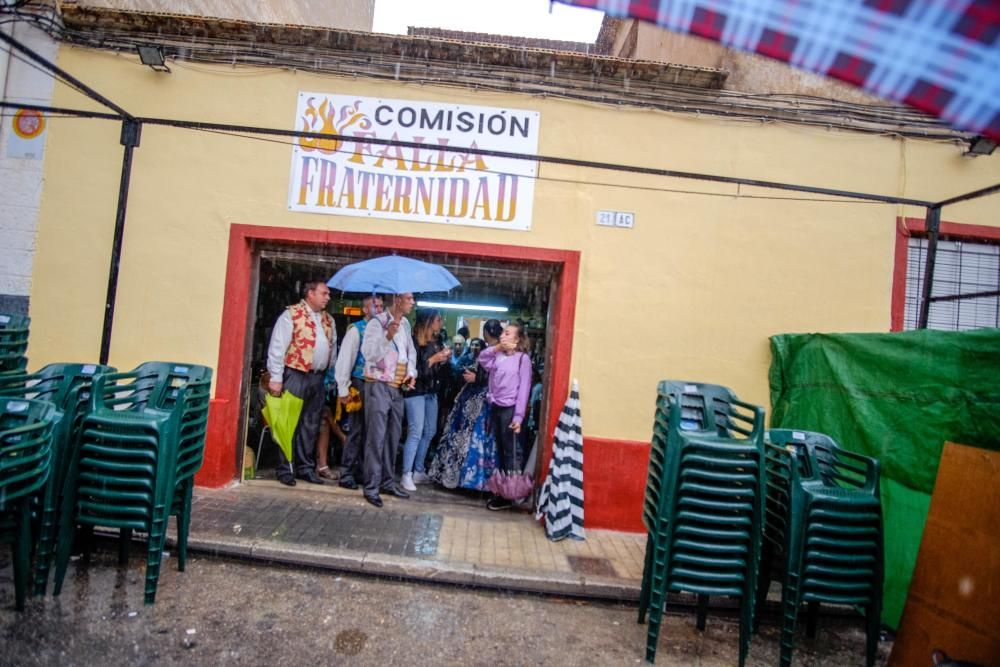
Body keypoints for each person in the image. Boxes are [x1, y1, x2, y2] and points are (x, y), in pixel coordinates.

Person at [265, 280, 336, 486]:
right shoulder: (291, 315)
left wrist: (329, 376)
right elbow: (277, 347)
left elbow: (333, 347)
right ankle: (285, 468)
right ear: (310, 293)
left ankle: (305, 468)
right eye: (324, 293)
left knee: (311, 424)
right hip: (296, 374)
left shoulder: (328, 319)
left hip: (317, 376)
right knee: (289, 423)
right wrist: (276, 378)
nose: (328, 297)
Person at [429, 321, 502, 491]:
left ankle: (466, 479)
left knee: (470, 435)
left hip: (481, 399)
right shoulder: (493, 350)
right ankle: (469, 479)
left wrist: (477, 379)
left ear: (486, 333)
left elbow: (494, 374)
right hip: (477, 397)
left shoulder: (495, 351)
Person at [360, 292, 416, 508]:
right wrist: (387, 338)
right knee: (376, 437)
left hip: (398, 385)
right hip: (378, 384)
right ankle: (371, 486)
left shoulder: (406, 324)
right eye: (409, 298)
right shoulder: (377, 323)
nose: (412, 302)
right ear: (397, 299)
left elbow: (410, 353)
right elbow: (369, 355)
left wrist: (412, 372)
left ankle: (387, 481)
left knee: (393, 436)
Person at [477, 322, 532, 511]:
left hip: (511, 410)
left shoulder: (522, 359)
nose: (503, 336)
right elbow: (482, 359)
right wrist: (497, 348)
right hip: (497, 408)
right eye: (503, 333)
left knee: (512, 452)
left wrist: (518, 417)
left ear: (517, 339)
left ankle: (513, 493)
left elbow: (524, 389)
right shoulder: (497, 356)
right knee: (500, 450)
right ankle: (503, 491)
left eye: (507, 334)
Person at [333, 295, 383, 490]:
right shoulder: (357, 330)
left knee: (371, 432)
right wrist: (343, 388)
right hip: (360, 383)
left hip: (377, 384)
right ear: (365, 309)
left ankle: (362, 471)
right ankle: (347, 473)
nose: (378, 310)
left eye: (380, 306)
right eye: (374, 306)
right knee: (356, 430)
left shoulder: (384, 331)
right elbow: (345, 359)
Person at [401, 308, 451, 491]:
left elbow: (438, 371)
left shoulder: (436, 342)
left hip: (432, 391)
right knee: (416, 431)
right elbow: (414, 370)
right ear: (429, 321)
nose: (441, 323)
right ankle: (406, 473)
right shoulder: (414, 341)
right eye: (438, 319)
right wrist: (433, 359)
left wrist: (443, 361)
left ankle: (418, 470)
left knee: (430, 431)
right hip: (415, 391)